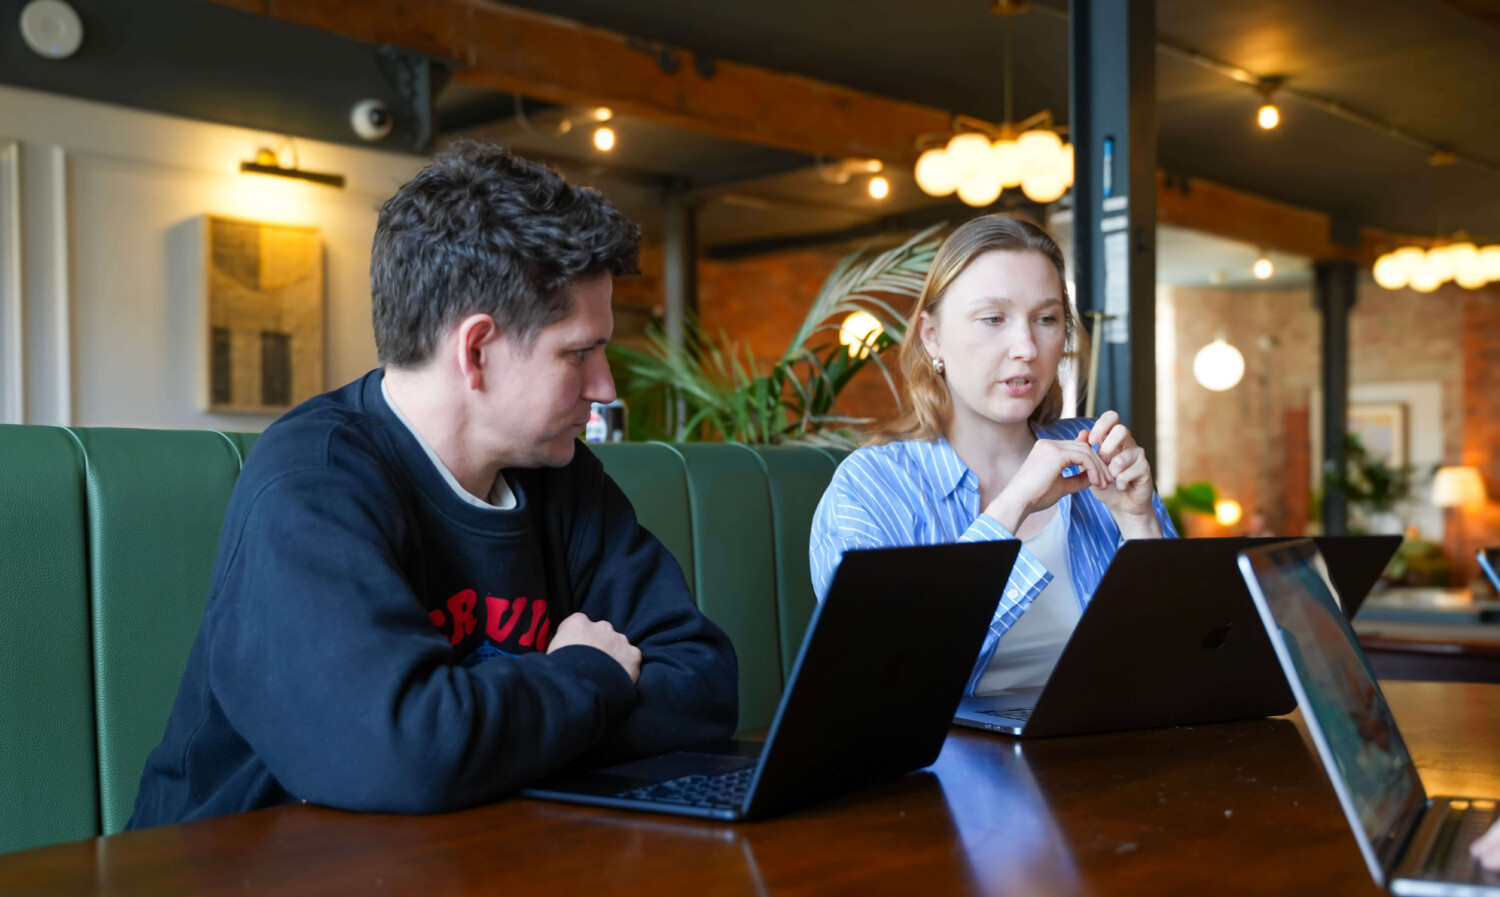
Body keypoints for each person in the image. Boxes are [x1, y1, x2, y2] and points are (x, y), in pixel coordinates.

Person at [128, 142, 738, 829]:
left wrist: (480, 731)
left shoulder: (562, 475)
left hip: (461, 856)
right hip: (235, 872)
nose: (604, 388)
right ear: (476, 352)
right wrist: (585, 675)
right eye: (579, 353)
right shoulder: (312, 482)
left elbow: (704, 685)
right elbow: (401, 753)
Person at [809, 214, 1175, 698]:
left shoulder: (1096, 452)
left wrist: (1138, 521)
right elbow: (889, 680)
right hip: (945, 747)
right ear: (932, 336)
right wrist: (1013, 505)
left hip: (1111, 739)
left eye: (1046, 320)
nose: (1026, 348)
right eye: (993, 319)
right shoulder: (871, 487)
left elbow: (1178, 660)